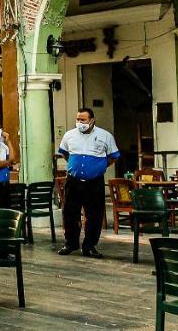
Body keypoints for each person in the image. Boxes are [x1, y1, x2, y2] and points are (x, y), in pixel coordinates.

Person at [56, 107, 119, 258]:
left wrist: (99, 167)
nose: (80, 122)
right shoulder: (69, 135)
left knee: (94, 215)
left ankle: (89, 246)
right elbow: (64, 154)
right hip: (74, 181)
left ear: (92, 121)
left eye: (83, 120)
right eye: (78, 119)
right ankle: (70, 243)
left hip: (94, 183)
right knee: (70, 213)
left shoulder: (105, 136)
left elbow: (113, 156)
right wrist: (75, 166)